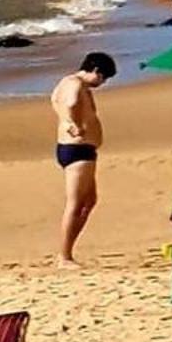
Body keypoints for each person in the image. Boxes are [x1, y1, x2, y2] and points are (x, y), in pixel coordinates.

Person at [51, 52, 116, 266]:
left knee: (89, 201)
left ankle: (66, 249)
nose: (103, 82)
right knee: (76, 203)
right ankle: (64, 256)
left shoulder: (66, 82)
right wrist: (73, 124)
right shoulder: (75, 84)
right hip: (77, 149)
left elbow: (55, 102)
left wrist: (68, 121)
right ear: (95, 70)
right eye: (103, 78)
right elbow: (69, 104)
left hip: (80, 149)